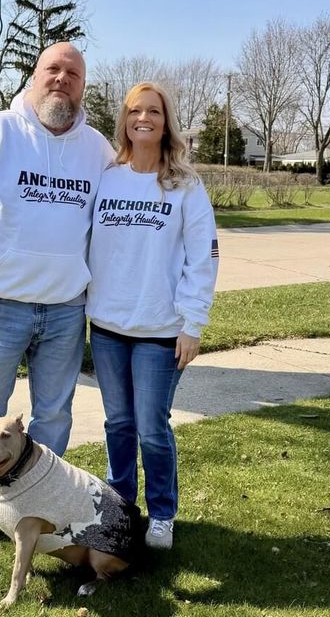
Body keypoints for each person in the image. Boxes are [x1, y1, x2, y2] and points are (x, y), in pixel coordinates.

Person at [0, 42, 115, 555]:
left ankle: (40, 509)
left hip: (65, 308)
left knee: (53, 414)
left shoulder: (96, 149)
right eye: (52, 70)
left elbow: (116, 218)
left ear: (83, 86)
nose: (62, 80)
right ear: (34, 77)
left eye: (73, 74)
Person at [86, 82, 218, 550]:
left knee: (151, 427)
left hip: (160, 331)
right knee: (117, 424)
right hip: (106, 327)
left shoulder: (185, 184)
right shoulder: (107, 176)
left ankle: (162, 513)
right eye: (134, 111)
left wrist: (193, 325)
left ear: (166, 122)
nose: (144, 118)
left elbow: (203, 259)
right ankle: (121, 507)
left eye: (154, 111)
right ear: (124, 121)